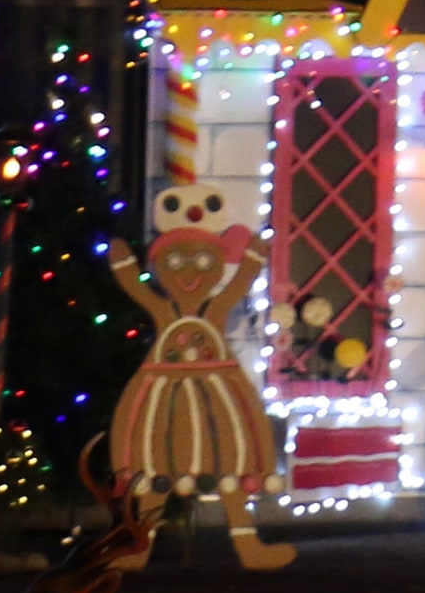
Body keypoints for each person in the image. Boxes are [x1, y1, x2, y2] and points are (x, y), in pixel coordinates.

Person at [107, 184, 289, 569]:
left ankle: (247, 544)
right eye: (174, 262)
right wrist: (123, 267)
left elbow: (239, 286)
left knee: (231, 463)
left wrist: (255, 258)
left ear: (218, 264)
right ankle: (141, 546)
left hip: (216, 397)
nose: (189, 272)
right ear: (159, 267)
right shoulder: (163, 310)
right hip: (164, 397)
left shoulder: (216, 309)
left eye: (204, 262)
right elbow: (138, 292)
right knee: (156, 466)